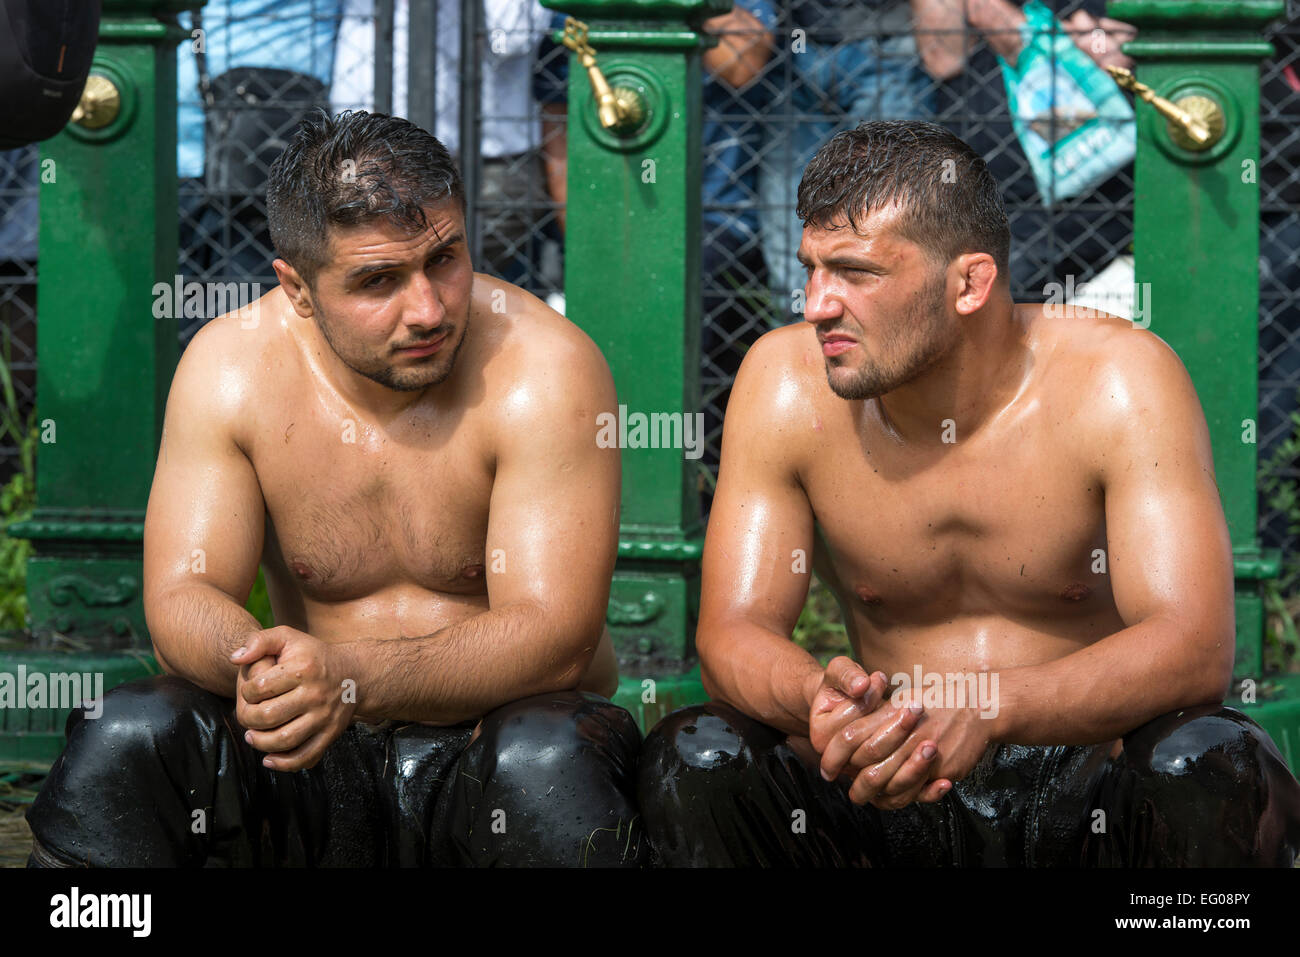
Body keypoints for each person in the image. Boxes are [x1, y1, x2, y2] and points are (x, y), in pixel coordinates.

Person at [636, 120, 1300, 866]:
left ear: (970, 283)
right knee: (696, 753)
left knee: (1210, 755)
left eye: (856, 273)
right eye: (812, 268)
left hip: (1081, 787)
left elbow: (1194, 646)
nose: (818, 303)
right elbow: (732, 629)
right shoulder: (782, 383)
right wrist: (820, 699)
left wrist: (991, 705)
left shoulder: (1120, 380)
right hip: (886, 784)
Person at [26, 110, 644, 868]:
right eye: (377, 281)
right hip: (312, 754)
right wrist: (270, 672)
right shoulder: (231, 368)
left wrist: (349, 676)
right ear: (297, 288)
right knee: (129, 729)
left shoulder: (545, 366)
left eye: (444, 257)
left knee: (543, 753)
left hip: (496, 755)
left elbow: (558, 636)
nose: (428, 308)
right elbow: (181, 599)